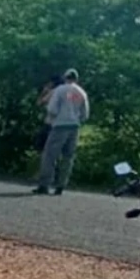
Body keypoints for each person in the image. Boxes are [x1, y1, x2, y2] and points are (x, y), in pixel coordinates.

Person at [35, 68, 90, 196]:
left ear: (65, 77)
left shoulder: (60, 90)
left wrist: (55, 118)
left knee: (50, 155)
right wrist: (77, 119)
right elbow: (85, 114)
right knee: (68, 157)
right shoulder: (81, 92)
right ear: (76, 79)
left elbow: (52, 109)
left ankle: (45, 185)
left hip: (60, 125)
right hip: (74, 127)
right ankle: (61, 186)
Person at [34, 75, 63, 151]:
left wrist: (44, 92)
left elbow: (39, 103)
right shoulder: (64, 92)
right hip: (62, 122)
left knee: (42, 145)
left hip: (51, 123)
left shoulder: (53, 92)